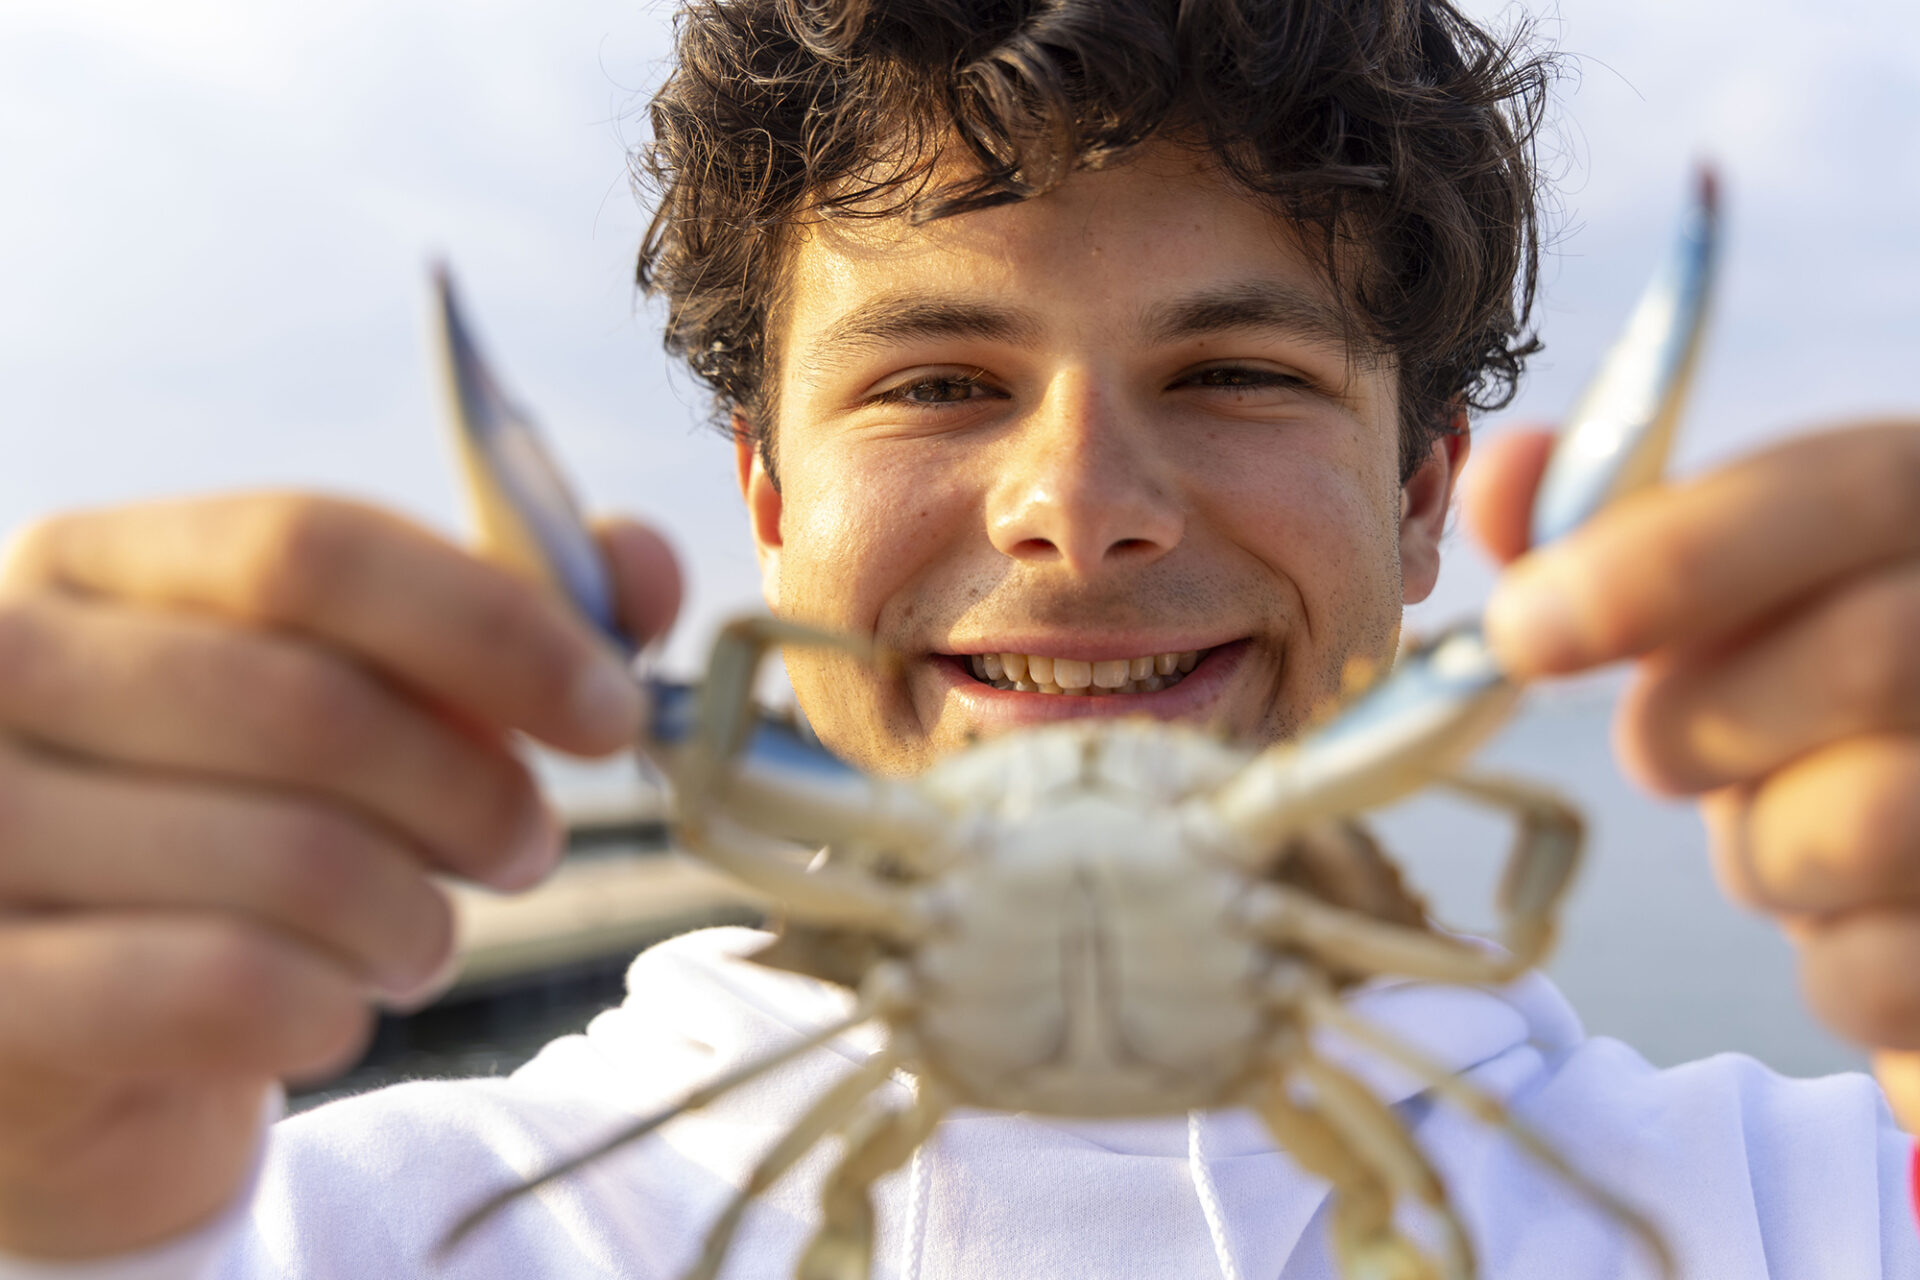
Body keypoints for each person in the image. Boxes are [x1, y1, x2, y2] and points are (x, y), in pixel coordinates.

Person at [1, 0, 1916, 1275]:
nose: (1077, 507)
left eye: (1237, 369)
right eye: (936, 381)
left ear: (1428, 500)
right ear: (765, 502)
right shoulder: (313, 1228)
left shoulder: (1810, 1207)